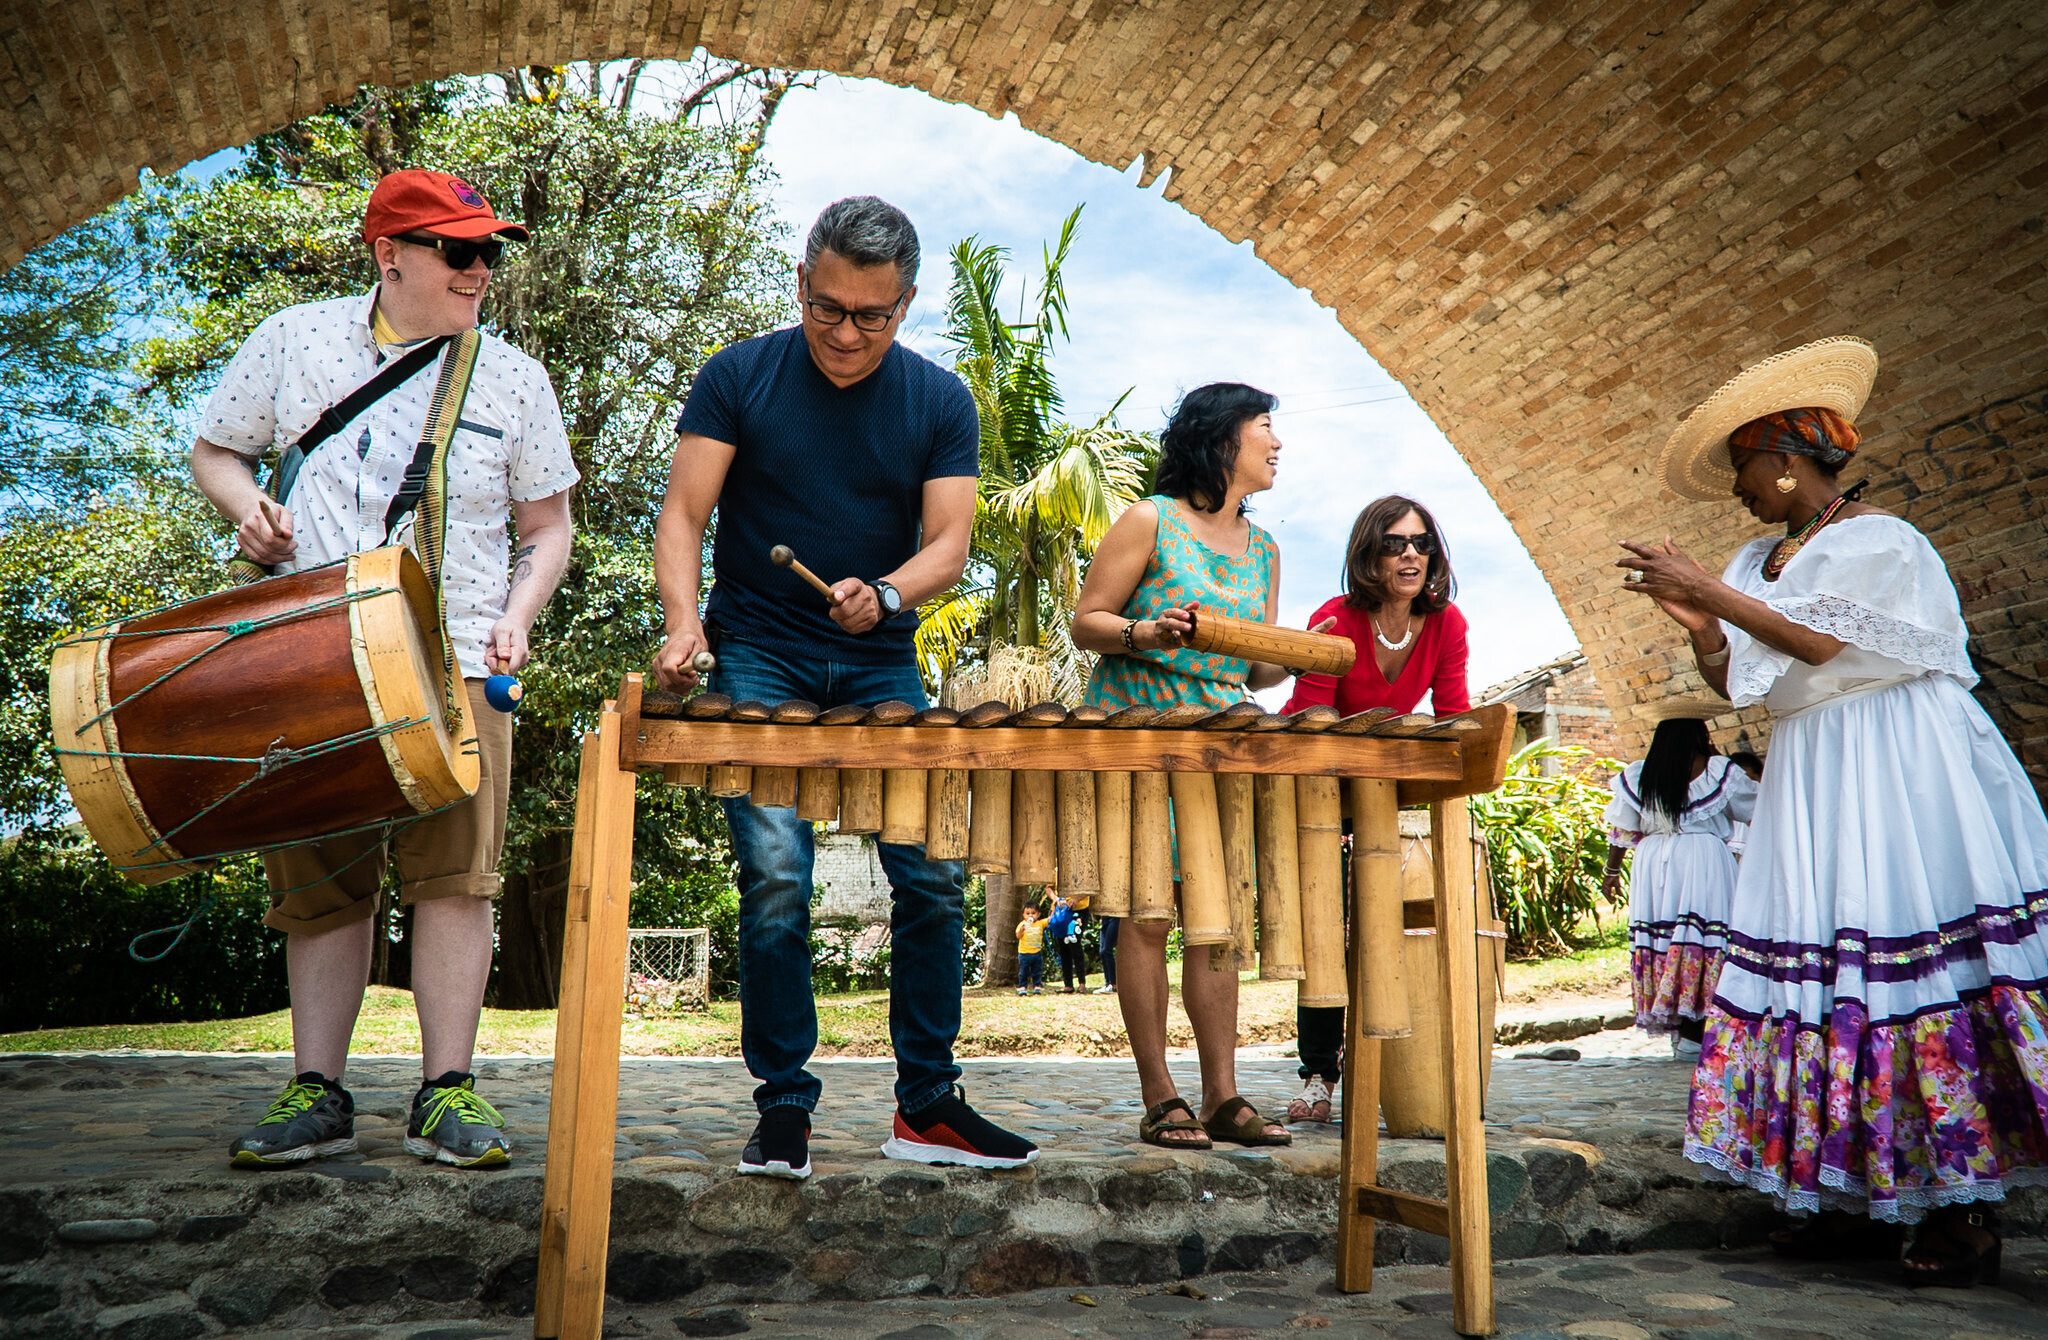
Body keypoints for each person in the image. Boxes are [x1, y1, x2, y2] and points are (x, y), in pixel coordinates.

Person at [1621, 334, 2048, 1285]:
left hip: (1897, 764)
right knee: (1824, 973)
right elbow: (1745, 682)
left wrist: (1708, 588)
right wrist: (1702, 623)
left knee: (1906, 952)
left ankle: (1962, 1206)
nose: (1737, 490)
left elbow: (1816, 646)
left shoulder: (1880, 541)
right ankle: (1851, 1191)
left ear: (1783, 459)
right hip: (1816, 769)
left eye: (1742, 468)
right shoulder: (1757, 561)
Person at [191, 169, 578, 1168]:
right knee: (320, 881)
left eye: (490, 250)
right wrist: (245, 509)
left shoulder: (515, 377)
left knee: (455, 878)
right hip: (310, 650)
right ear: (389, 254)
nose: (481, 267)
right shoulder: (291, 338)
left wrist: (520, 614)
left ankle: (446, 1090)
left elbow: (548, 524)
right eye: (460, 250)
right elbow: (216, 451)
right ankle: (315, 1089)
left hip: (455, 659)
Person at [651, 196, 1036, 1178]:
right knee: (776, 873)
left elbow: (947, 542)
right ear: (801, 284)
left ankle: (927, 1103)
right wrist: (684, 621)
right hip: (758, 656)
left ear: (904, 304)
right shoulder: (739, 374)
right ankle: (784, 1102)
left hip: (880, 662)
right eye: (827, 308)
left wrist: (892, 589)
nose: (845, 333)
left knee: (931, 873)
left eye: (871, 314)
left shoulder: (938, 400)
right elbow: (685, 513)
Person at [1071, 381, 1298, 1151]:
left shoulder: (1265, 550)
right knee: (1146, 912)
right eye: (1266, 427)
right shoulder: (1150, 519)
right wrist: (1148, 632)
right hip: (1138, 740)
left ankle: (1223, 1096)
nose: (1277, 443)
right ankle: (1159, 1092)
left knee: (1218, 924)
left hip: (1221, 745)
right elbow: (1087, 621)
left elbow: (1257, 675)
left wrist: (1288, 658)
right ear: (1222, 436)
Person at [1279, 496, 1470, 1122]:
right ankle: (1318, 1075)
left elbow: (1453, 717)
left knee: (1383, 932)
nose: (1410, 553)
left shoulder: (1447, 624)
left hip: (1377, 788)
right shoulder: (1334, 619)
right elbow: (1311, 717)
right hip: (1308, 785)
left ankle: (1405, 1070)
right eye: (1394, 543)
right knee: (1323, 931)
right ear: (1370, 554)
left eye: (1421, 543)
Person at [1600, 709, 1756, 1059]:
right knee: (1703, 936)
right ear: (1699, 735)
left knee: (1665, 936)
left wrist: (1611, 873)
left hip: (1653, 863)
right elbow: (1757, 809)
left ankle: (1680, 1030)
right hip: (1702, 859)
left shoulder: (1643, 773)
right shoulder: (1718, 771)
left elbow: (1623, 830)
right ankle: (1697, 1028)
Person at [1047, 894, 1091, 992]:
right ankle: (1068, 984)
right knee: (1063, 946)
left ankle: (1082, 984)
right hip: (1061, 911)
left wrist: (1076, 899)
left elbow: (1090, 889)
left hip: (1079, 910)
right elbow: (1049, 888)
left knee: (1075, 944)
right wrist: (1055, 898)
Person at [1015, 902, 1047, 995]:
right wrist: (1021, 930)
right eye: (1027, 913)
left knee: (1037, 971)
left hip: (1037, 953)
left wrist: (1054, 907)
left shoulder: (1040, 923)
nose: (1030, 916)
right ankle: (1022, 987)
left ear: (1038, 914)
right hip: (1024, 953)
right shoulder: (1022, 924)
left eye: (1033, 913)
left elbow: (1050, 919)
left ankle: (1037, 986)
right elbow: (1018, 936)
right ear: (1023, 915)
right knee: (1023, 971)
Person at [1095, 916, 1120, 994]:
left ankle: (1114, 984)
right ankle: (1108, 983)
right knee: (1102, 951)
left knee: (1107, 949)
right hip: (1105, 917)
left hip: (1116, 917)